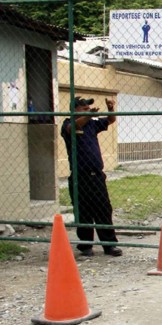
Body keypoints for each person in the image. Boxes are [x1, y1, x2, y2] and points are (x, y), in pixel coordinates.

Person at [61, 96, 122, 257]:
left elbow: (110, 120)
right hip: (79, 177)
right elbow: (72, 128)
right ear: (75, 111)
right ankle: (86, 245)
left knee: (103, 209)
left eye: (89, 110)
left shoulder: (92, 124)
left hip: (96, 176)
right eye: (84, 110)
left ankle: (109, 244)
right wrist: (88, 116)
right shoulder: (68, 123)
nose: (88, 112)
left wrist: (110, 108)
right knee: (83, 211)